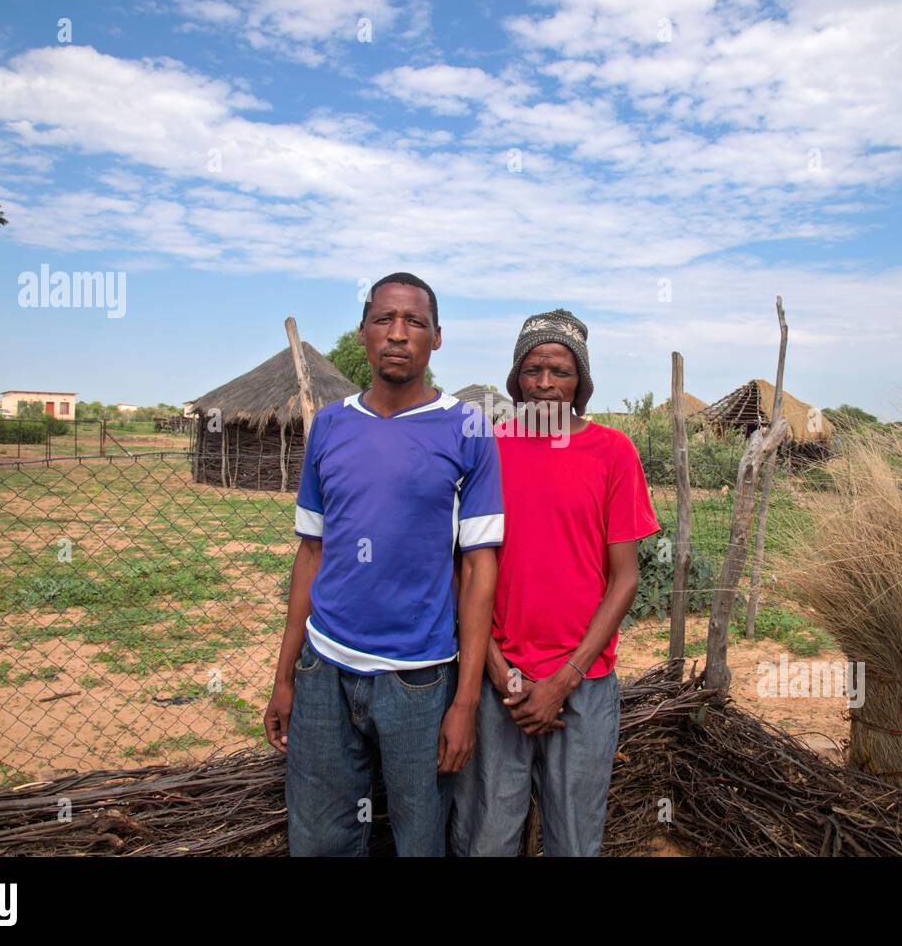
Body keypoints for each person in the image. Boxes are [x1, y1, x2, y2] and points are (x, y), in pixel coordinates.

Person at [264, 272, 502, 856]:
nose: (398, 334)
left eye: (414, 322)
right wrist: (285, 675)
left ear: (437, 338)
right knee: (319, 840)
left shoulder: (467, 428)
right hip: (324, 671)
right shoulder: (331, 425)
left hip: (420, 678)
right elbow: (311, 552)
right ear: (364, 332)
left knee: (419, 840)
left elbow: (478, 568)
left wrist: (465, 701)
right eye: (384, 320)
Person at [452, 308, 660, 856]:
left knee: (574, 840)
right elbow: (462, 568)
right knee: (486, 837)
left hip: (583, 685)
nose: (545, 384)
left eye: (561, 371)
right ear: (516, 377)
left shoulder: (613, 453)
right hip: (499, 683)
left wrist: (562, 681)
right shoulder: (488, 449)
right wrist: (496, 670)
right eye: (533, 368)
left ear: (581, 382)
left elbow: (624, 581)